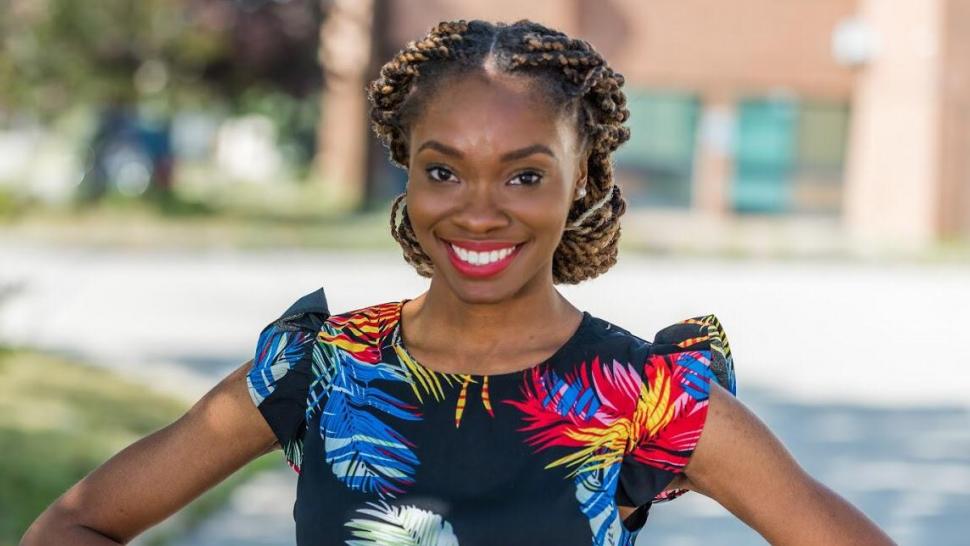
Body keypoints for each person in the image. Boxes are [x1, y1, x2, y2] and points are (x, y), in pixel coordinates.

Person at [21, 19, 895, 546]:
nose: (480, 213)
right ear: (406, 170)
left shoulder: (649, 394)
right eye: (445, 172)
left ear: (582, 177)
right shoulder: (322, 369)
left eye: (524, 175)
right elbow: (75, 521)